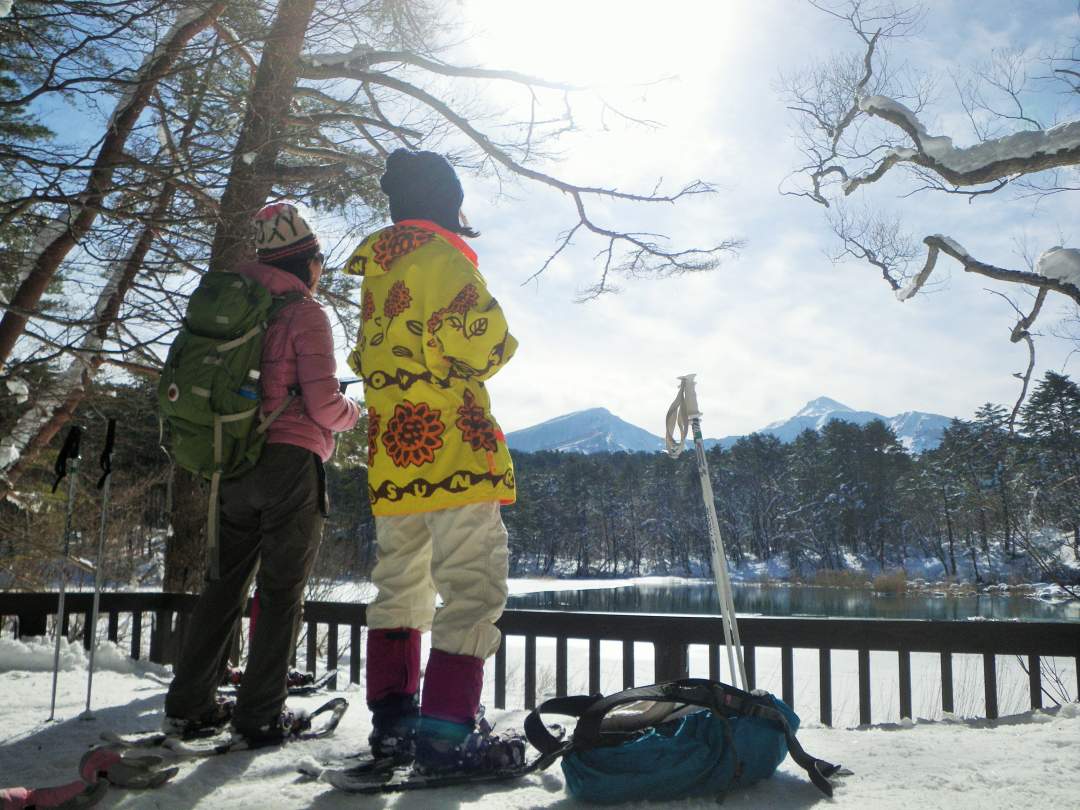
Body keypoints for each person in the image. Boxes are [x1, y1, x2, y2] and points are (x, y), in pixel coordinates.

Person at [343, 149, 520, 774]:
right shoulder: (443, 260)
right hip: (454, 454)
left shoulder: (378, 272)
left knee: (400, 589)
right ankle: (447, 736)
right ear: (446, 201)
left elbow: (368, 362)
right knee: (471, 589)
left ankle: (392, 728)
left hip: (395, 459)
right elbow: (485, 345)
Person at [163, 202, 359, 744]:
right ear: (306, 262)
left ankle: (188, 703)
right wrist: (353, 412)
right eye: (319, 260)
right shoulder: (305, 315)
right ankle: (260, 715)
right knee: (280, 592)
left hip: (233, 461)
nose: (321, 271)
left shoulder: (235, 306)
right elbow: (322, 406)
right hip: (290, 463)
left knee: (223, 586)